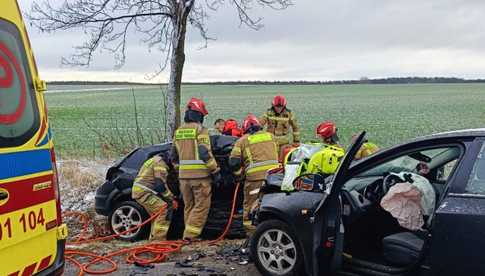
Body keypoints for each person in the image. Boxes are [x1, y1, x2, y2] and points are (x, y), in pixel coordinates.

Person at [172, 98, 222, 241]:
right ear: (199, 115)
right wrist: (215, 170)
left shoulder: (179, 131)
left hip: (184, 178)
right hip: (200, 177)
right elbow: (204, 151)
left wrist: (180, 171)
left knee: (189, 207)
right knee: (201, 207)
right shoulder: (200, 130)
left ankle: (188, 236)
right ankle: (190, 237)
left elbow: (173, 156)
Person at [229, 114, 279, 233]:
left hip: (254, 180)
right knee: (272, 205)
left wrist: (239, 175)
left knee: (250, 206)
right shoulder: (271, 136)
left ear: (246, 129)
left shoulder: (242, 141)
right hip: (274, 178)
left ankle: (251, 236)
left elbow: (233, 162)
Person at [132, 154, 175, 240]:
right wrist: (171, 199)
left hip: (141, 191)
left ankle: (152, 240)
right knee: (164, 210)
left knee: (156, 215)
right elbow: (160, 186)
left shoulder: (154, 159)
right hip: (144, 192)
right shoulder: (160, 164)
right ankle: (158, 241)